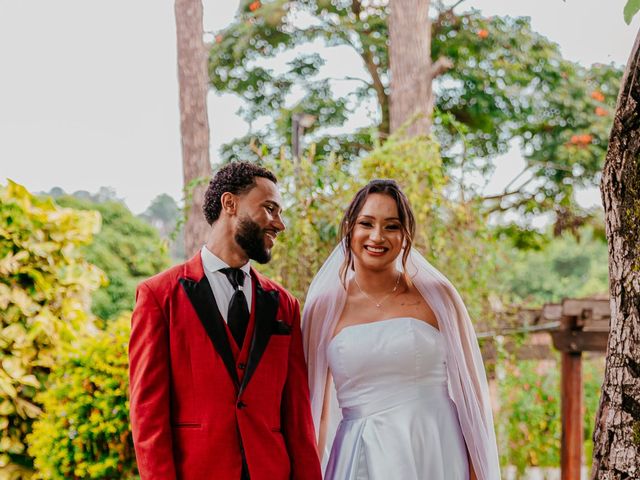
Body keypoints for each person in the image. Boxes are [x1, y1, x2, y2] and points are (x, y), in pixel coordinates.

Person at [129, 161, 322, 480]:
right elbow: (148, 416)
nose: (279, 224)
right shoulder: (158, 296)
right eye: (270, 209)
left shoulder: (284, 304)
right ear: (230, 204)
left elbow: (297, 415)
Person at [302, 179, 501, 480]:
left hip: (435, 448)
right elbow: (313, 412)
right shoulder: (324, 306)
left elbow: (471, 397)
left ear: (405, 235)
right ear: (350, 229)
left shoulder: (438, 296)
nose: (377, 236)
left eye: (391, 226)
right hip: (361, 455)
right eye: (366, 223)